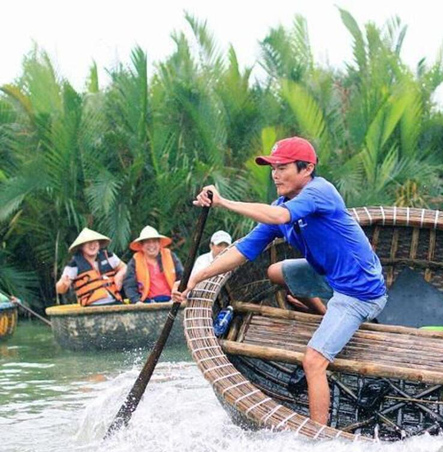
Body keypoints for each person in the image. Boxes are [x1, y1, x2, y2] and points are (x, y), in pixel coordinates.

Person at [173, 136, 387, 426]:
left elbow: (280, 215)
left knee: (313, 361)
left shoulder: (320, 191)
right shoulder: (281, 204)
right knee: (274, 272)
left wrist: (223, 202)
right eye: (272, 168)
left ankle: (318, 436)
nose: (275, 174)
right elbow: (243, 249)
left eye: (282, 167)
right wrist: (194, 279)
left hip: (361, 292)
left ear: (306, 168)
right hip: (330, 278)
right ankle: (326, 315)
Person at [55, 228, 126, 306]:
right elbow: (60, 290)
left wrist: (120, 275)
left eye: (95, 242)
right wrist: (63, 284)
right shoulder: (74, 265)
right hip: (91, 306)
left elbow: (124, 267)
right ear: (81, 246)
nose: (92, 245)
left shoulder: (109, 256)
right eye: (88, 243)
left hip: (115, 302)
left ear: (99, 244)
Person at [123, 226, 184, 304]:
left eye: (154, 241)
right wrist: (137, 302)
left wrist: (178, 296)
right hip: (146, 303)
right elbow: (129, 285)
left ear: (159, 243)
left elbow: (182, 277)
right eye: (147, 242)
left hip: (171, 300)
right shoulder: (135, 261)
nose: (151, 245)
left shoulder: (170, 256)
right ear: (141, 245)